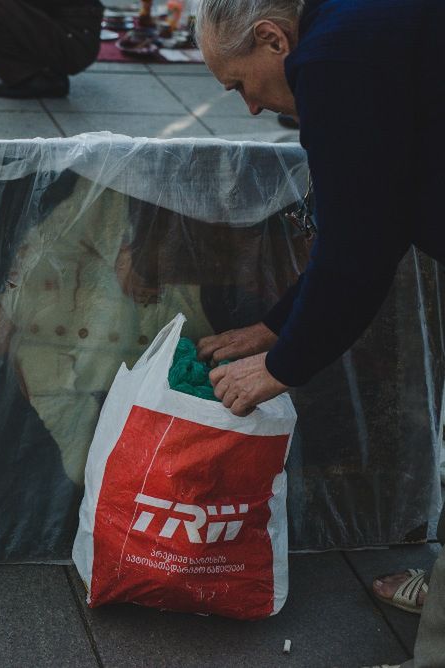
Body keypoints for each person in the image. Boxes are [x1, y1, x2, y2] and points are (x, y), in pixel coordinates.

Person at [192, 0, 445, 665]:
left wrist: (282, 365)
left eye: (239, 84)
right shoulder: (358, 26)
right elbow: (374, 218)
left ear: (273, 39)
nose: (250, 108)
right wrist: (275, 328)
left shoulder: (330, 59)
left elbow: (358, 247)